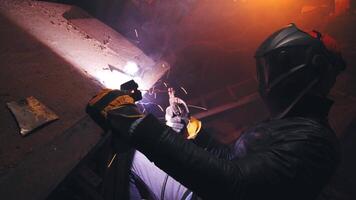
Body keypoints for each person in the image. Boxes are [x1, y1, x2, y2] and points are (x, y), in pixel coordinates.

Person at [87, 24, 346, 200]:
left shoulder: (314, 144)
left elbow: (232, 183)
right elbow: (234, 161)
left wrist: (137, 126)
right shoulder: (290, 124)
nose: (265, 78)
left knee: (132, 152)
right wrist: (195, 132)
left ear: (297, 75)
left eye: (274, 69)